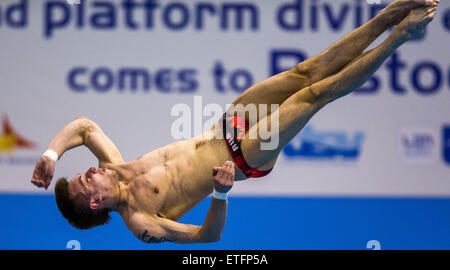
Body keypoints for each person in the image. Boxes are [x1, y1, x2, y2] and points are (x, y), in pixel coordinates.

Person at [31, 0, 439, 244]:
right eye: (87, 182)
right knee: (317, 95)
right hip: (243, 156)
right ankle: (401, 35)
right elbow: (207, 238)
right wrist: (221, 194)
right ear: (97, 202)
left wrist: (51, 153)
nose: (89, 171)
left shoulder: (116, 164)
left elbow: (83, 127)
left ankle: (392, 13)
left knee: (306, 72)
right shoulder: (140, 221)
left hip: (227, 126)